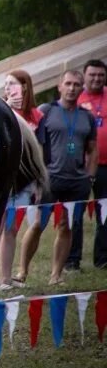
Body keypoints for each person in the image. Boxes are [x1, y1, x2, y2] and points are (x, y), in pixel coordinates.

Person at [17, 70, 97, 285]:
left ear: (82, 88)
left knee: (66, 226)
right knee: (37, 224)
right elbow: (35, 146)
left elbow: (92, 149)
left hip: (77, 182)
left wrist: (89, 177)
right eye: (68, 84)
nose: (72, 88)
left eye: (77, 85)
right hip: (49, 179)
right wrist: (36, 176)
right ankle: (22, 272)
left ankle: (56, 275)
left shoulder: (87, 116)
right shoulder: (46, 111)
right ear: (59, 86)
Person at [0, 69, 44, 290]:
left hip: (25, 182)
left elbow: (40, 153)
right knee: (3, 228)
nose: (8, 88)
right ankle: (1, 279)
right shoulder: (0, 111)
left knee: (12, 229)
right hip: (3, 180)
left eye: (12, 84)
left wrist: (38, 183)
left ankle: (7, 277)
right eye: (5, 84)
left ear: (25, 87)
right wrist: (7, 105)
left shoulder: (37, 116)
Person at [74, 59, 107, 269]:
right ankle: (72, 260)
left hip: (106, 166)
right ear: (84, 76)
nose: (96, 78)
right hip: (79, 166)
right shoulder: (74, 96)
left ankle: (102, 258)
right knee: (73, 213)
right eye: (92, 74)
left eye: (100, 75)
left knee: (105, 213)